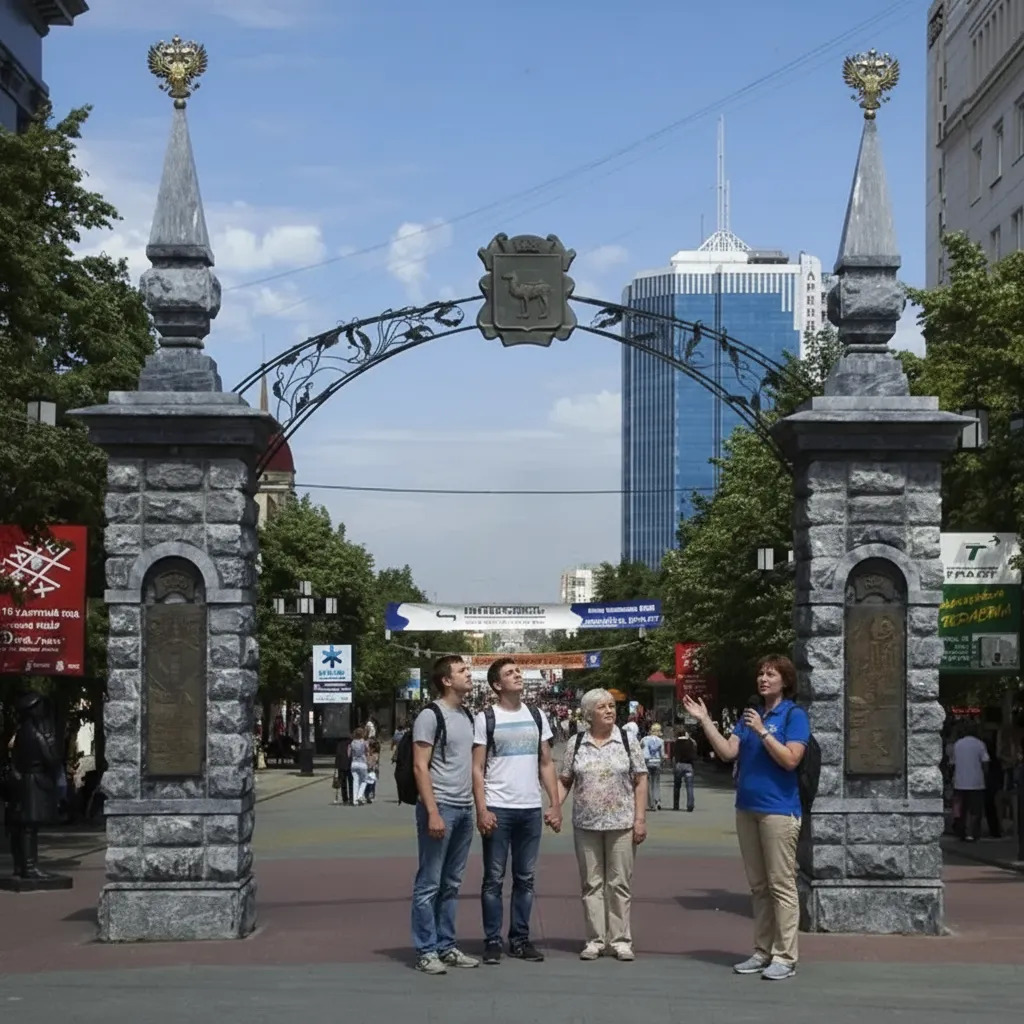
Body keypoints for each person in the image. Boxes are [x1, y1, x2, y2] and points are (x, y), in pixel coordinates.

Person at [683, 654, 809, 982]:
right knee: (759, 886)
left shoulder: (793, 715)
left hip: (779, 810)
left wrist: (764, 733)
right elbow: (728, 752)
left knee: (781, 884)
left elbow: (791, 760)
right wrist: (705, 720)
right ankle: (762, 951)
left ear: (785, 681)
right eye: (761, 674)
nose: (763, 679)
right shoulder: (749, 715)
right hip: (747, 808)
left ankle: (785, 956)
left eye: (771, 674)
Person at [473, 657, 561, 965]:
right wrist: (481, 808)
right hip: (498, 807)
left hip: (530, 808)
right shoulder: (486, 717)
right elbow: (477, 767)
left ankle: (520, 939)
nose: (518, 675)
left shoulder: (537, 715)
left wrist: (555, 804)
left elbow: (546, 763)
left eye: (518, 671)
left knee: (525, 878)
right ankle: (492, 941)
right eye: (510, 673)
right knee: (493, 879)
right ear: (497, 685)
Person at [558, 688, 648, 962]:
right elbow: (565, 780)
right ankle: (595, 940)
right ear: (588, 714)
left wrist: (640, 819)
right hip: (586, 824)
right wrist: (554, 806)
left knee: (619, 883)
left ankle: (620, 941)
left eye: (611, 706)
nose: (609, 710)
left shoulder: (627, 740)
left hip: (622, 823)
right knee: (591, 883)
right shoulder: (576, 742)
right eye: (602, 707)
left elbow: (640, 779)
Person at [410, 655, 479, 975]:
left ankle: (446, 945)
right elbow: (419, 766)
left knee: (451, 883)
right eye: (462, 670)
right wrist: (432, 811)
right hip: (441, 807)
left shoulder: (466, 714)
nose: (469, 674)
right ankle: (426, 950)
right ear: (446, 680)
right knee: (429, 883)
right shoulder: (430, 715)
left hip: (464, 808)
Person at [951, 725, 989, 842]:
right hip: (976, 783)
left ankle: (961, 832)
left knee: (960, 810)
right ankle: (974, 833)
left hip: (959, 782)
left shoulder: (957, 744)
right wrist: (985, 775)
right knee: (975, 810)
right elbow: (985, 762)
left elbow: (952, 763)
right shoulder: (980, 744)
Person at [672, 726, 697, 812]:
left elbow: (674, 755)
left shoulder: (676, 743)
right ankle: (690, 805)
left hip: (679, 765)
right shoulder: (690, 742)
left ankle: (676, 805)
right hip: (689, 766)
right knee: (689, 786)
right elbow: (694, 754)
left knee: (677, 786)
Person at [640, 723, 665, 811]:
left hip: (647, 763)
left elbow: (640, 750)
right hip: (657, 763)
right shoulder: (661, 741)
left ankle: (651, 803)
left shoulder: (644, 739)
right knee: (656, 783)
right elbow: (662, 754)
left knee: (649, 783)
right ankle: (657, 801)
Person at [350, 727, 370, 805]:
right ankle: (359, 796)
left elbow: (349, 753)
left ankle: (354, 800)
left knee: (355, 781)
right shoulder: (364, 742)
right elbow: (367, 751)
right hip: (362, 763)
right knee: (364, 780)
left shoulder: (352, 742)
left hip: (354, 763)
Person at [333, 736, 353, 806]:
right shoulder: (351, 743)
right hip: (350, 766)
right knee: (351, 783)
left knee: (343, 783)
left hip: (341, 766)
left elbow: (338, 756)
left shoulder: (340, 744)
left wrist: (336, 766)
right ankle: (351, 798)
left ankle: (345, 799)